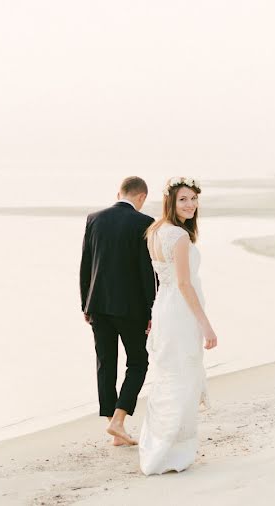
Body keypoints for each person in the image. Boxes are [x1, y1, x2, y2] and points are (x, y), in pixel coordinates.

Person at [139, 177, 218, 475]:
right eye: (183, 199)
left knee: (168, 376)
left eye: (194, 199)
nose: (190, 205)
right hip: (181, 313)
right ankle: (172, 451)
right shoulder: (180, 237)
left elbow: (166, 280)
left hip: (163, 309)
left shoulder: (155, 231)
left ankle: (158, 445)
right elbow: (184, 284)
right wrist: (206, 325)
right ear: (170, 202)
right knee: (182, 377)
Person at [80, 176, 157, 446]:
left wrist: (85, 304)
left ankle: (112, 426)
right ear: (141, 197)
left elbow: (86, 264)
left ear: (119, 193)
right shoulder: (144, 223)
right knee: (138, 362)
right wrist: (152, 308)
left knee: (106, 363)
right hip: (130, 308)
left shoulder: (94, 218)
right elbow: (146, 272)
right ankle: (119, 421)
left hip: (98, 305)